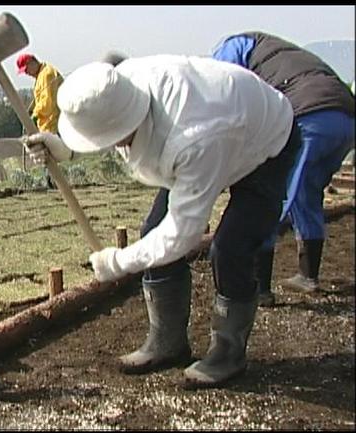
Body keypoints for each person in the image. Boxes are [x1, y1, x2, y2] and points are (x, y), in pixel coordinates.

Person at [24, 57, 300, 388]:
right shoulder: (117, 84)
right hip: (222, 127)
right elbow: (110, 126)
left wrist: (119, 261)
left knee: (231, 249)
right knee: (150, 233)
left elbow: (182, 234)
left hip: (267, 142)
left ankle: (228, 353)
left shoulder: (194, 138)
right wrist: (64, 149)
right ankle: (167, 342)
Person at [212, 32, 355, 306]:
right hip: (346, 120)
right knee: (306, 193)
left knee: (271, 195)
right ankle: (307, 276)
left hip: (307, 115)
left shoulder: (235, 45)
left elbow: (222, 84)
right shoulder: (283, 51)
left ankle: (260, 288)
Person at [16, 53, 64, 189]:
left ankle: (54, 184)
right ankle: (52, 184)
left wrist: (35, 115)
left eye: (26, 70)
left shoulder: (47, 74)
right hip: (48, 124)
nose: (26, 73)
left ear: (32, 62)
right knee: (47, 157)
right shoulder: (41, 75)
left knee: (50, 156)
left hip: (54, 123)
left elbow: (48, 103)